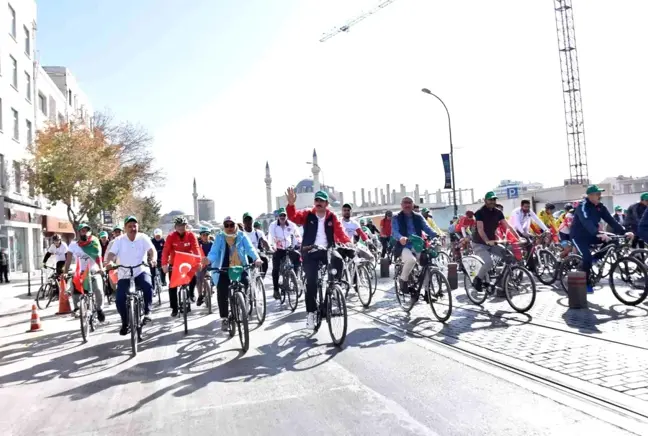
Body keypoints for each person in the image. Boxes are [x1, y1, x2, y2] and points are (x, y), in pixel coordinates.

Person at [286, 188, 350, 329]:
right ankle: (311, 313)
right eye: (317, 200)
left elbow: (340, 233)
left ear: (327, 203)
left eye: (322, 200)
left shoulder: (331, 217)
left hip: (327, 250)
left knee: (338, 260)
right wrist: (291, 204)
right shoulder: (308, 214)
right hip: (310, 252)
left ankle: (333, 291)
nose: (319, 203)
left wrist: (348, 243)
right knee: (312, 283)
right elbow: (294, 217)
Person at [201, 216, 262, 331]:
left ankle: (242, 305)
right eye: (226, 225)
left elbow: (250, 249)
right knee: (222, 290)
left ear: (235, 225)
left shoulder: (242, 235)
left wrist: (256, 258)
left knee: (246, 283)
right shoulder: (219, 237)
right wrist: (208, 260)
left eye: (231, 225)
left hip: (240, 267)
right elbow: (213, 252)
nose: (229, 227)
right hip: (224, 268)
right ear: (224, 226)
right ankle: (224, 318)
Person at [570, 185, 634, 293]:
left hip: (593, 235)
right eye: (597, 194)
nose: (600, 196)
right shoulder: (582, 206)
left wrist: (624, 232)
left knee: (614, 240)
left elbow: (612, 221)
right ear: (590, 196)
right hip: (578, 236)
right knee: (586, 257)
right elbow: (586, 222)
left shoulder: (600, 207)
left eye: (600, 194)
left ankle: (596, 258)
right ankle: (586, 283)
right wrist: (597, 233)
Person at [105, 216, 156, 335]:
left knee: (148, 285)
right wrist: (110, 262)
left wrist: (152, 259)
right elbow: (111, 254)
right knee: (119, 300)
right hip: (124, 273)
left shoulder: (143, 237)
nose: (133, 228)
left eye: (135, 225)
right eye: (129, 226)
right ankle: (125, 323)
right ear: (125, 228)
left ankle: (148, 311)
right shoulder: (119, 240)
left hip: (140, 270)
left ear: (138, 226)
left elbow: (151, 250)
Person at [472, 192, 520, 292]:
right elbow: (480, 229)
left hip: (493, 242)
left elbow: (508, 226)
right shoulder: (480, 212)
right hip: (479, 243)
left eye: (494, 200)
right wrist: (487, 241)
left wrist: (518, 238)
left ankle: (503, 284)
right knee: (488, 263)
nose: (492, 202)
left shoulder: (498, 212)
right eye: (490, 200)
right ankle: (478, 280)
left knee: (509, 257)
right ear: (485, 200)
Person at [391, 196, 438, 293]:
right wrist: (400, 237)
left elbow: (427, 228)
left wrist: (436, 235)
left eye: (409, 202)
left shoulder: (418, 216)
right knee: (411, 260)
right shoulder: (396, 217)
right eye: (405, 202)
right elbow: (394, 231)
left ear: (413, 204)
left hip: (418, 245)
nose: (407, 205)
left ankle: (427, 292)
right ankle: (403, 280)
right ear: (401, 205)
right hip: (403, 246)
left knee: (426, 263)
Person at [64, 223, 106, 322]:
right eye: (82, 230)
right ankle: (77, 308)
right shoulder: (73, 245)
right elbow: (68, 260)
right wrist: (65, 272)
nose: (85, 232)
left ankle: (99, 309)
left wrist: (101, 268)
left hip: (93, 271)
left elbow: (98, 257)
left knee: (99, 290)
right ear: (78, 233)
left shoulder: (94, 242)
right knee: (74, 284)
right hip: (81, 273)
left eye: (86, 230)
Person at [161, 216, 201, 316]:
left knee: (193, 278)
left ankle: (191, 293)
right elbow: (165, 251)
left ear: (186, 226)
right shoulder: (171, 237)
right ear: (175, 227)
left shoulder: (191, 235)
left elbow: (196, 249)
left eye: (183, 225)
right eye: (179, 226)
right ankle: (174, 308)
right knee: (172, 286)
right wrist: (164, 264)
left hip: (188, 262)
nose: (181, 228)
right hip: (174, 263)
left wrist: (198, 261)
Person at [268, 207, 301, 300]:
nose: (282, 217)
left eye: (284, 215)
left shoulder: (291, 225)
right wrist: (273, 246)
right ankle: (275, 290)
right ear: (278, 216)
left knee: (298, 257)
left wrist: (299, 244)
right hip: (278, 248)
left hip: (289, 248)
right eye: (280, 215)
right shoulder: (273, 225)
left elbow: (297, 235)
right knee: (276, 269)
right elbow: (271, 236)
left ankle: (295, 277)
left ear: (286, 216)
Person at [242, 213, 270, 278]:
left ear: (252, 221)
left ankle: (261, 280)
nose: (248, 222)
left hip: (256, 254)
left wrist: (268, 248)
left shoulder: (258, 232)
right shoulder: (241, 233)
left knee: (265, 259)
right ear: (243, 222)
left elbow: (264, 241)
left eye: (250, 220)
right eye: (246, 220)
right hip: (245, 255)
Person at [196, 226, 213, 307]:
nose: (205, 236)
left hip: (210, 264)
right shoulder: (198, 245)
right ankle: (200, 296)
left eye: (207, 234)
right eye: (203, 235)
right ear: (200, 236)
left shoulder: (212, 244)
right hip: (201, 264)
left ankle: (210, 288)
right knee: (199, 279)